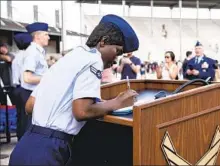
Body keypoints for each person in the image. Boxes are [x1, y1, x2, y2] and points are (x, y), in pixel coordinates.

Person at [9, 14, 139, 166]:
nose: (115, 59)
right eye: (117, 51)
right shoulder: (94, 59)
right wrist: (118, 102)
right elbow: (81, 111)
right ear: (103, 42)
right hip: (50, 150)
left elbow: (30, 106)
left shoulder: (68, 58)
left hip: (25, 145)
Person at [19, 22, 50, 137]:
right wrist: (49, 78)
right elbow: (27, 78)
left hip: (35, 93)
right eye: (46, 34)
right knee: (30, 126)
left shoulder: (38, 52)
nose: (48, 37)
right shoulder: (32, 53)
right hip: (30, 94)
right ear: (37, 36)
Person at [11, 33, 32, 140]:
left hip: (17, 89)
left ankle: (20, 139)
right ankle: (26, 141)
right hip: (25, 89)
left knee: (20, 117)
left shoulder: (17, 56)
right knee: (27, 118)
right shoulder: (27, 56)